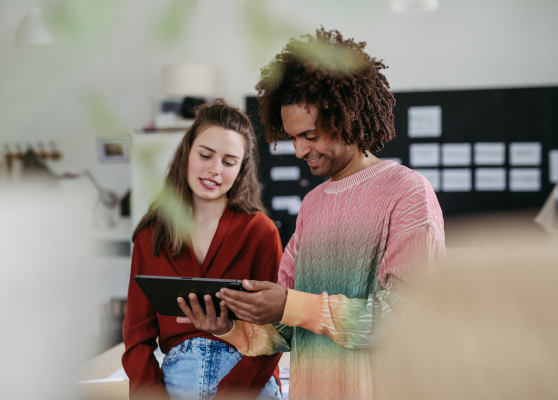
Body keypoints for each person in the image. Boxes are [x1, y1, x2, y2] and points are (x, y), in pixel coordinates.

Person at [178, 28, 446, 400]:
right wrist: (229, 328)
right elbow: (288, 329)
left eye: (311, 135)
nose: (300, 150)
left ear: (347, 117)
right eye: (292, 138)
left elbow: (405, 319)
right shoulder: (314, 204)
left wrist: (290, 304)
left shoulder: (407, 192)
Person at [122, 99, 283, 400]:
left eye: (228, 161)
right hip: (178, 376)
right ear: (187, 152)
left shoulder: (261, 232)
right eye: (206, 155)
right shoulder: (151, 235)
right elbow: (136, 337)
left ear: (241, 169)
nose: (214, 170)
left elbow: (272, 334)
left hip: (247, 378)